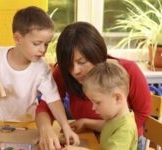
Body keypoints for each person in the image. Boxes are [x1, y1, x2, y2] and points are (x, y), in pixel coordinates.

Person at [36, 22, 151, 150]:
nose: (75, 71)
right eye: (68, 64)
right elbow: (46, 106)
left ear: (97, 53)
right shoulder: (65, 73)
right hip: (89, 138)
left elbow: (142, 114)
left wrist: (92, 126)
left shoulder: (128, 70)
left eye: (82, 62)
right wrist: (45, 129)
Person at [0, 6, 79, 146]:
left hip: (27, 122)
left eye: (46, 44)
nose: (43, 50)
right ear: (17, 38)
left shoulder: (42, 68)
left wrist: (65, 127)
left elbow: (54, 100)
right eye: (37, 44)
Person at [63, 62, 138, 150]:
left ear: (117, 98)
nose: (93, 108)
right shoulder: (116, 119)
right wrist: (85, 122)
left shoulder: (125, 130)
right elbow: (109, 127)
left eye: (97, 103)